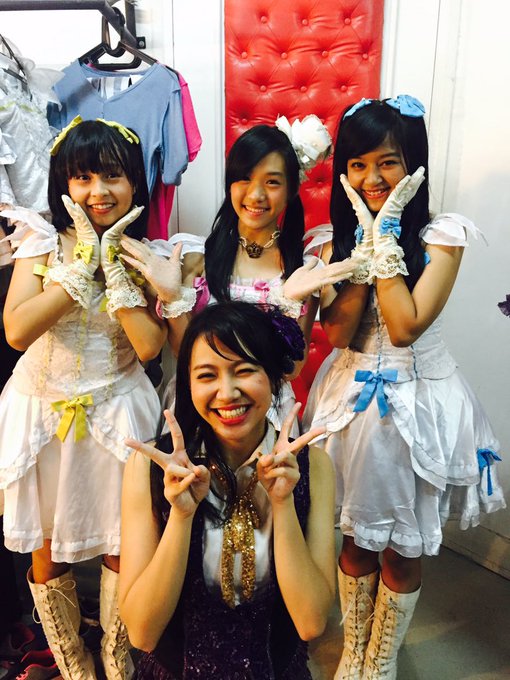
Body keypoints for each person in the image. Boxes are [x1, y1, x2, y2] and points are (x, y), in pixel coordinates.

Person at [302, 95, 506, 680]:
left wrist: (388, 234)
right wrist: (359, 251)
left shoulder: (443, 235)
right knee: (354, 539)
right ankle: (354, 652)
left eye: (387, 162)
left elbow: (404, 325)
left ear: (412, 163)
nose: (372, 178)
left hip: (420, 406)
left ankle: (382, 659)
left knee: (402, 547)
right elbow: (340, 333)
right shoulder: (328, 242)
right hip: (350, 404)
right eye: (358, 164)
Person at [0, 117, 167, 680]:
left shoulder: (148, 254)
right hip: (42, 414)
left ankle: (118, 663)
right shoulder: (41, 242)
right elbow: (17, 330)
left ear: (135, 181)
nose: (98, 191)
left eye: (112, 176)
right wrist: (80, 271)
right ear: (63, 184)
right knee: (45, 548)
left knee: (124, 545)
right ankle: (74, 665)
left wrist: (115, 267)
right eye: (83, 177)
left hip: (119, 409)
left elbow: (149, 346)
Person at [119, 301, 336, 679]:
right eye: (207, 375)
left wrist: (282, 503)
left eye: (245, 370)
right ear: (188, 384)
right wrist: (181, 517)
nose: (227, 392)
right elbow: (142, 632)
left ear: (274, 377)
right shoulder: (151, 468)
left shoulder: (313, 466)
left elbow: (311, 622)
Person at [120, 117, 354, 431]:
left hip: (266, 412)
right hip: (201, 406)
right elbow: (184, 352)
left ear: (291, 189)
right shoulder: (195, 257)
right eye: (244, 179)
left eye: (272, 182)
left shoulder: (302, 269)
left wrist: (288, 304)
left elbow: (290, 368)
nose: (255, 195)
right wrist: (172, 297)